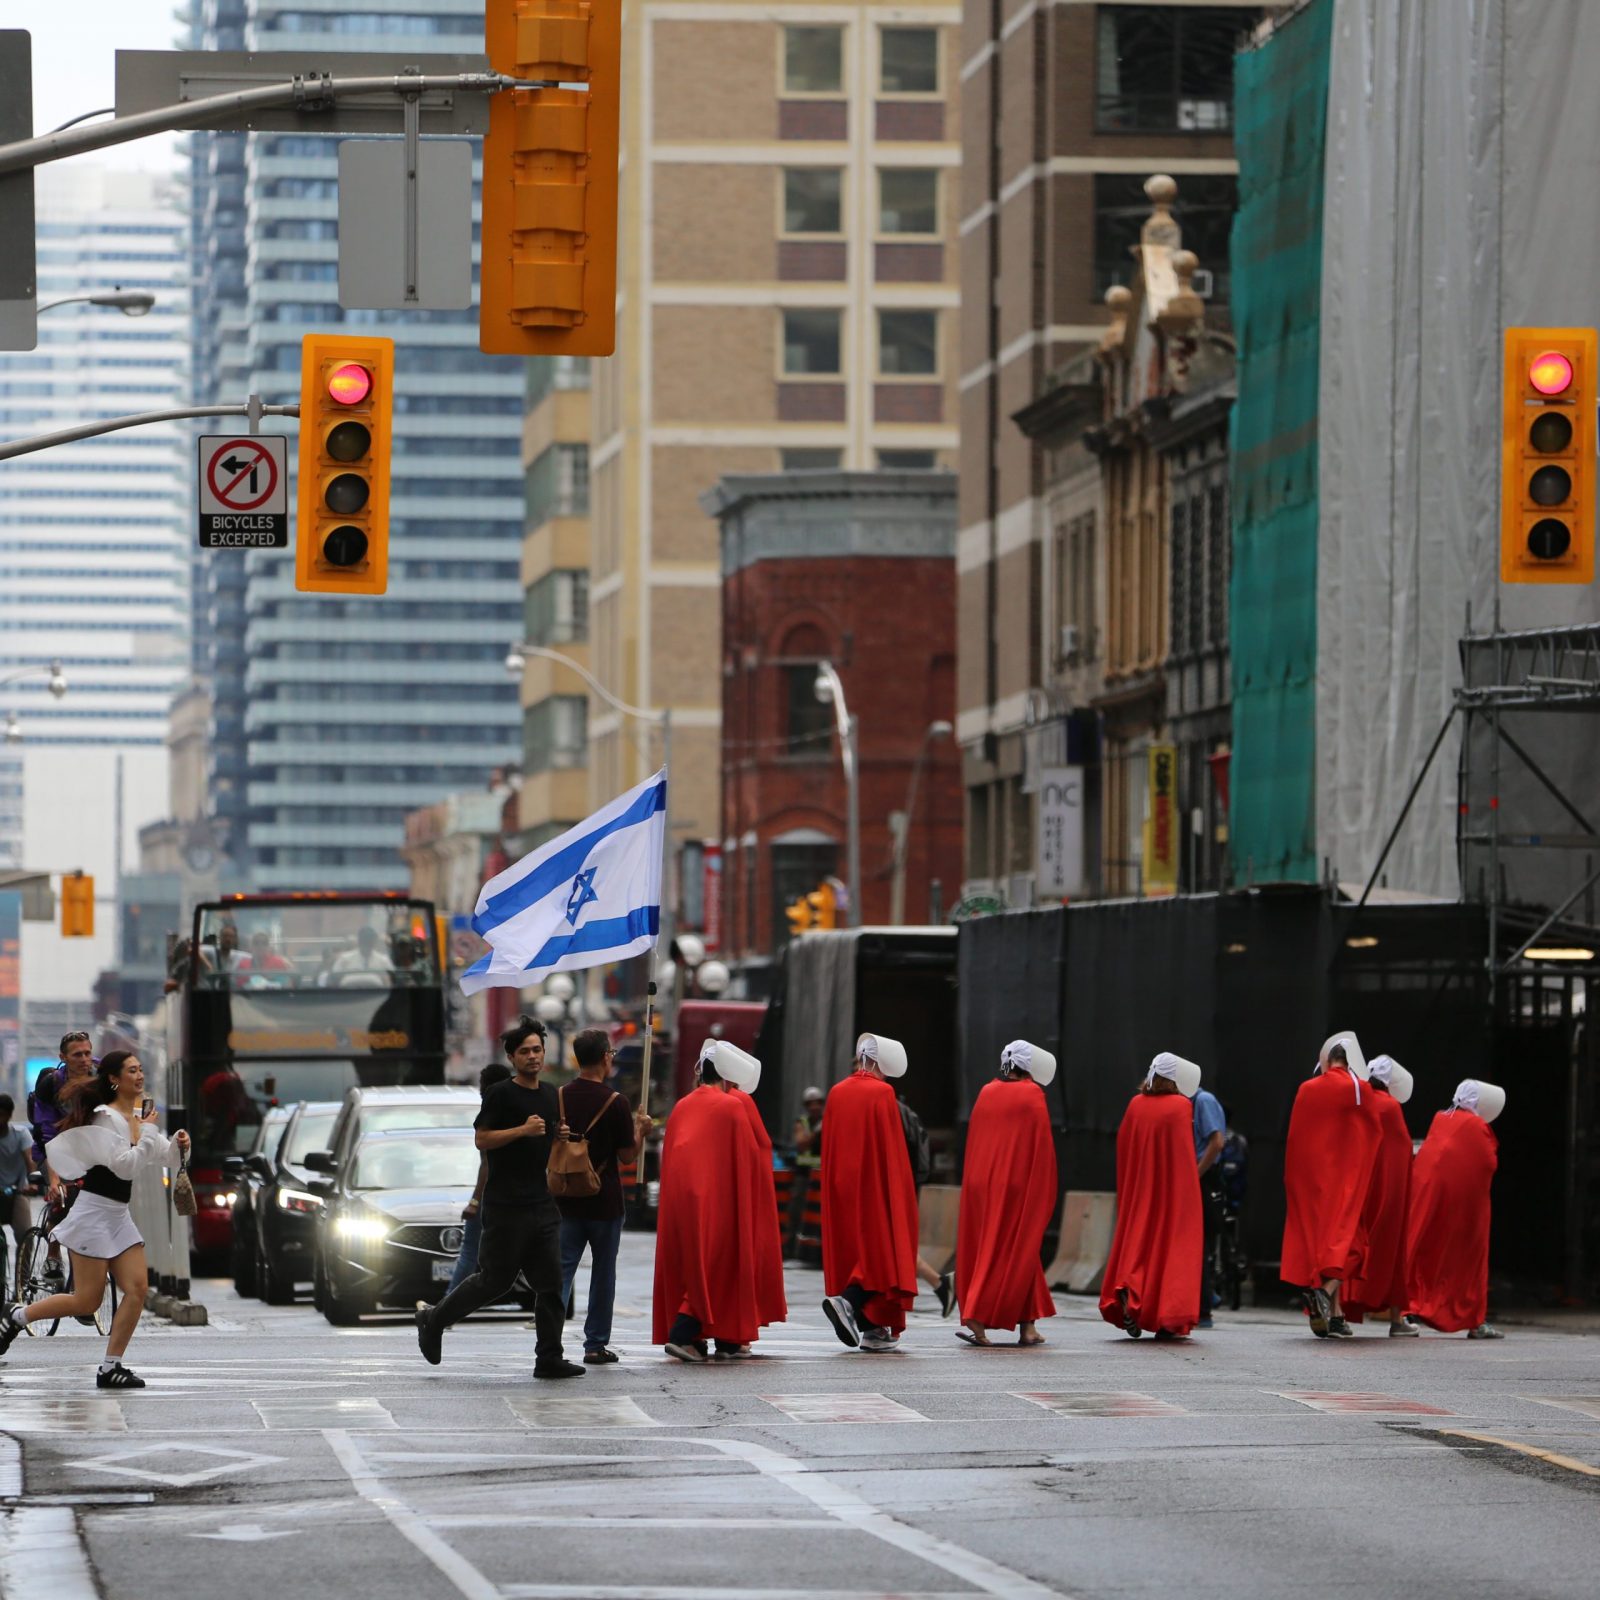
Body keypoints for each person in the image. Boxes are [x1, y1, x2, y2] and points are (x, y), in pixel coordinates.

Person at [0, 1050, 189, 1387]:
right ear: (114, 1079)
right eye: (132, 1070)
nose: (139, 1076)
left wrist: (179, 1144)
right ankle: (16, 1315)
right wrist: (148, 1133)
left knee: (137, 1289)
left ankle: (110, 1366)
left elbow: (166, 1157)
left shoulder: (135, 1117)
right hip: (93, 1214)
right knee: (86, 1300)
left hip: (118, 1215)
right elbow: (125, 1166)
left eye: (141, 1069)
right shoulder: (105, 1118)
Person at [414, 1016, 581, 1380]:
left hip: (541, 1203)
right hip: (506, 1206)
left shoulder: (550, 1094)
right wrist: (522, 1130)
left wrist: (559, 1136)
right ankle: (433, 1319)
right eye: (525, 1052)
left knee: (551, 1283)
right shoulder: (501, 1094)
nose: (533, 1056)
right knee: (494, 1280)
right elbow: (482, 1139)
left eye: (537, 1049)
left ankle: (549, 1357)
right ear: (511, 1057)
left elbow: (549, 1143)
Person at [655, 1040, 787, 1362]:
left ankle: (716, 1337)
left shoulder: (682, 1106)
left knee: (692, 1265)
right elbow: (748, 1156)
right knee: (721, 1262)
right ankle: (686, 1332)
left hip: (682, 1201)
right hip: (719, 1198)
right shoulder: (732, 1107)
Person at [820, 1032, 920, 1354]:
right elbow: (890, 1148)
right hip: (872, 1183)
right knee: (882, 1251)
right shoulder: (882, 1093)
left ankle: (872, 1328)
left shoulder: (837, 1092)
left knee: (855, 1249)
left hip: (842, 1184)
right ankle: (849, 1303)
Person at [954, 1040, 1058, 1348]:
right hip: (1015, 1183)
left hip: (982, 1181)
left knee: (1006, 1247)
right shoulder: (1032, 1094)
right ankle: (976, 1313)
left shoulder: (987, 1091)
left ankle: (1028, 1326)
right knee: (1014, 1247)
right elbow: (1040, 1146)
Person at [556, 1028, 651, 1365]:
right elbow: (626, 1156)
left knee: (561, 1272)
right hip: (605, 1200)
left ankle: (550, 1341)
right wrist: (640, 1131)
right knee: (603, 1273)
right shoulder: (616, 1102)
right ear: (604, 1058)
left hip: (565, 1198)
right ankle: (595, 1344)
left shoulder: (560, 1096)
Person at [1280, 1031, 1381, 1339]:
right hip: (1342, 1179)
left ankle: (1335, 1317)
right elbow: (1372, 1133)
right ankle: (1324, 1294)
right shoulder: (1357, 1089)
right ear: (1350, 1063)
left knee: (1325, 1250)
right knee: (1352, 1245)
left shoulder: (1307, 1088)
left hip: (1309, 1182)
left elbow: (1297, 1136)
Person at [1100, 1053, 1206, 1339]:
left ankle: (1129, 1289)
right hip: (1171, 1192)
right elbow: (1182, 1156)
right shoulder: (1180, 1106)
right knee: (1171, 1249)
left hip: (1139, 1189)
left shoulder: (1136, 1104)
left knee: (1139, 1243)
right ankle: (1167, 1317)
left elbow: (1125, 1145)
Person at [1405, 1079, 1507, 1339]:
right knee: (1470, 1258)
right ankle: (1474, 1319)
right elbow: (1488, 1161)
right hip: (1466, 1207)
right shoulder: (1476, 1126)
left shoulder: (1441, 1118)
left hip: (1430, 1197)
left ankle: (1410, 1305)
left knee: (1424, 1249)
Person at [1343, 1054, 1420, 1337]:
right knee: (1392, 1252)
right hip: (1386, 1193)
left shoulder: (1360, 1101)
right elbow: (1401, 1152)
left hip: (1359, 1188)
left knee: (1350, 1245)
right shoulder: (1389, 1106)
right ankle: (1397, 1320)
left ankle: (1338, 1313)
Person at [29, 1029, 97, 1286]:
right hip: (53, 1150)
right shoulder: (51, 1086)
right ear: (63, 1058)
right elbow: (47, 1137)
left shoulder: (103, 1075)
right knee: (65, 1197)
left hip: (90, 1149)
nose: (84, 1059)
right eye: (77, 1055)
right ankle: (54, 1252)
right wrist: (55, 1180)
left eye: (88, 1053)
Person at [445, 1062, 513, 1295]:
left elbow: (487, 1164)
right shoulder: (521, 1111)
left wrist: (474, 1201)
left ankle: (447, 1304)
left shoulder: (489, 1116)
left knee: (469, 1252)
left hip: (493, 1194)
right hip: (523, 1193)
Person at [900, 1088, 957, 1318]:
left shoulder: (891, 1110)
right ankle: (940, 1284)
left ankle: (941, 1284)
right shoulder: (903, 1111)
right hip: (904, 1184)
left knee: (892, 1246)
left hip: (895, 1187)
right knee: (895, 1245)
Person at [1193, 1078, 1227, 1330]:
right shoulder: (1189, 1102)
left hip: (1203, 1177)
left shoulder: (1202, 1101)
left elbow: (1217, 1142)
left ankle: (1204, 1305)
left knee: (1199, 1243)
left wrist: (1196, 1174)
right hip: (1199, 1175)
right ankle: (1205, 1297)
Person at [788, 1086, 825, 1256]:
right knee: (797, 1212)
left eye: (818, 1103)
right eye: (811, 1103)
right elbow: (802, 1145)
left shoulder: (828, 1120)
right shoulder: (801, 1122)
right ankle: (792, 1249)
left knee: (820, 1216)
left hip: (822, 1176)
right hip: (804, 1176)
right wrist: (816, 1132)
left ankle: (817, 1252)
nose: (815, 1106)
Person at [0, 1095, 37, 1263]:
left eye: (1, 1115)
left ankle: (23, 1276)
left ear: (9, 1115)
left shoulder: (20, 1134)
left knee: (26, 1236)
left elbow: (30, 1160)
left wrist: (32, 1183)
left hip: (18, 1191)